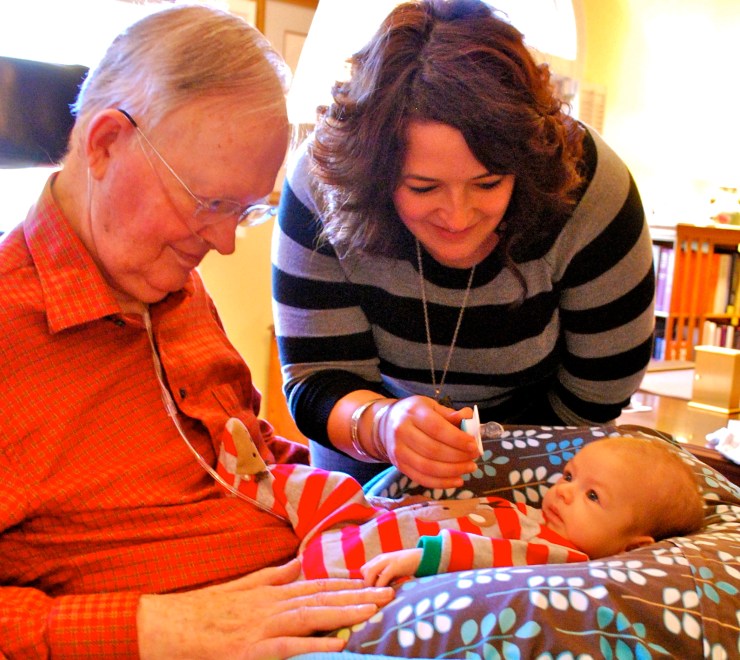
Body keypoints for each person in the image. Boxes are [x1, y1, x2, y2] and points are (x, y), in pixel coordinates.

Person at [0, 6, 394, 658]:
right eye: (209, 202)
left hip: (323, 587)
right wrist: (157, 628)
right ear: (105, 145)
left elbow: (243, 454)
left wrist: (370, 503)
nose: (224, 243)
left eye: (244, 211)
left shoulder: (171, 285)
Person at [271, 0, 656, 487]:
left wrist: (490, 472)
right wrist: (381, 426)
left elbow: (597, 394)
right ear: (375, 177)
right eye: (423, 188)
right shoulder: (325, 181)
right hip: (365, 453)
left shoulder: (588, 185)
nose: (457, 216)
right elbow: (318, 378)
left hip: (546, 454)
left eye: (488, 183)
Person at [219, 424, 704, 588]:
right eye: (570, 476)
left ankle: (253, 485)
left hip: (373, 558)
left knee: (324, 511)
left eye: (592, 496)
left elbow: (484, 554)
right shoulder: (538, 518)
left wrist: (419, 558)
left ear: (630, 547)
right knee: (334, 486)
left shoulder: (562, 556)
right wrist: (409, 505)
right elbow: (466, 512)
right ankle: (254, 480)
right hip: (379, 522)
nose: (563, 491)